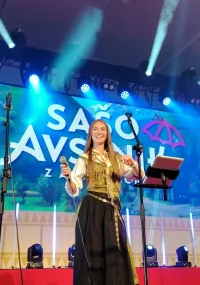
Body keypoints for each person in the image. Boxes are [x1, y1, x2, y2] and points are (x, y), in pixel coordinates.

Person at [61, 119, 142, 285]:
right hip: (92, 208)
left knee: (116, 252)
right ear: (91, 134)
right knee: (93, 252)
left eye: (103, 129)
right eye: (95, 129)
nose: (99, 132)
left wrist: (133, 163)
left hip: (112, 210)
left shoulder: (115, 158)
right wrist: (69, 176)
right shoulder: (85, 158)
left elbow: (139, 176)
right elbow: (74, 188)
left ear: (107, 134)